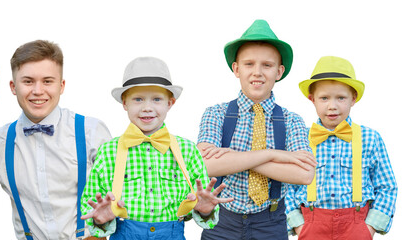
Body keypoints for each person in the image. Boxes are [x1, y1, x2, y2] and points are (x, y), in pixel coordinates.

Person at [0, 40, 112, 239]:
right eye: (28, 81)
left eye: (47, 81)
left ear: (61, 86)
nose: (37, 91)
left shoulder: (92, 131)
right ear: (13, 86)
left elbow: (125, 197)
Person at [80, 56, 233, 239]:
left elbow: (202, 206)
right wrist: (100, 220)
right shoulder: (108, 152)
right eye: (138, 99)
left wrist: (205, 210)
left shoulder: (188, 151)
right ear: (124, 103)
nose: (147, 107)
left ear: (170, 103)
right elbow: (91, 206)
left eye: (157, 99)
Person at [197, 19, 317, 240]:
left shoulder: (292, 121)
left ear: (279, 71)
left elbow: (304, 174)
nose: (257, 72)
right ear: (236, 68)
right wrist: (274, 155)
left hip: (270, 223)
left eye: (267, 65)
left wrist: (234, 157)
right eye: (249, 64)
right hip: (222, 222)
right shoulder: (216, 114)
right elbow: (206, 165)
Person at [285, 56, 398, 239]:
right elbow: (286, 185)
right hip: (312, 225)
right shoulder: (300, 139)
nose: (332, 106)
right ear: (312, 99)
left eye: (341, 98)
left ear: (353, 99)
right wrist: (298, 224)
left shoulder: (370, 138)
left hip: (357, 225)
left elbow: (386, 186)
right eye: (324, 98)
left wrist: (370, 227)